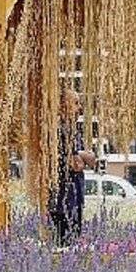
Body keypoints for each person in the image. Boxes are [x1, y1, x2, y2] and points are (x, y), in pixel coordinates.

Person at [48, 92, 97, 246]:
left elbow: (92, 161)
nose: (79, 108)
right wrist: (84, 156)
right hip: (63, 200)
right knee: (64, 243)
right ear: (62, 106)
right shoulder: (60, 132)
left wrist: (81, 155)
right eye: (75, 103)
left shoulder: (74, 132)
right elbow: (77, 164)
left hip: (74, 198)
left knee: (73, 242)